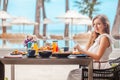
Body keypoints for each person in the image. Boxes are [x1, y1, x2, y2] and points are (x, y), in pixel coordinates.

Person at [67, 14, 114, 80]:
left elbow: (97, 57)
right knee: (73, 73)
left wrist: (81, 50)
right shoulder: (99, 37)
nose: (95, 27)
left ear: (105, 25)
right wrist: (90, 38)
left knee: (72, 74)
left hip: (100, 71)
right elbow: (87, 51)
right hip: (94, 68)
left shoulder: (104, 38)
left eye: (98, 24)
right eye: (94, 24)